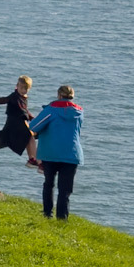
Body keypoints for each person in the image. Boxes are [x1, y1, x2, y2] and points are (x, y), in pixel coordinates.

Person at [29, 85, 83, 220]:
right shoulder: (79, 112)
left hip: (50, 152)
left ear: (59, 95)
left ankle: (47, 214)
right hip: (72, 153)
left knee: (49, 184)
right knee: (65, 190)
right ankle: (62, 218)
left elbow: (34, 126)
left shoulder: (51, 110)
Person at [0, 75, 39, 166]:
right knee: (29, 136)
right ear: (17, 86)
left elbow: (25, 111)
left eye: (26, 89)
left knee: (30, 137)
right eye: (21, 88)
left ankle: (32, 158)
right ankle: (34, 159)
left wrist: (33, 118)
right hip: (14, 123)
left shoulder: (23, 97)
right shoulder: (14, 96)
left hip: (19, 122)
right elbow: (4, 100)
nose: (23, 90)